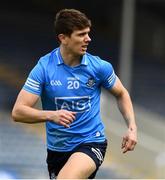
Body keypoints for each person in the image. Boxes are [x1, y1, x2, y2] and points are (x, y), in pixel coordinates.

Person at [11, 8, 137, 179]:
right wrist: (51, 115)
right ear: (63, 38)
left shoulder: (99, 67)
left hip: (91, 142)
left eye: (88, 33)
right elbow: (18, 112)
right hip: (57, 150)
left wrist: (131, 127)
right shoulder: (44, 68)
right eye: (81, 34)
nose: (88, 39)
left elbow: (121, 93)